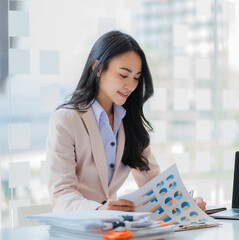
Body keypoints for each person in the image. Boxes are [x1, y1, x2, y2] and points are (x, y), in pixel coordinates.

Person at [46, 30, 206, 212]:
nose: (130, 85)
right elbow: (61, 194)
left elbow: (154, 185)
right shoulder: (65, 120)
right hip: (77, 229)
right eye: (123, 75)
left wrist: (185, 204)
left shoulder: (128, 122)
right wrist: (100, 211)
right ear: (98, 68)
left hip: (111, 230)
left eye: (136, 78)